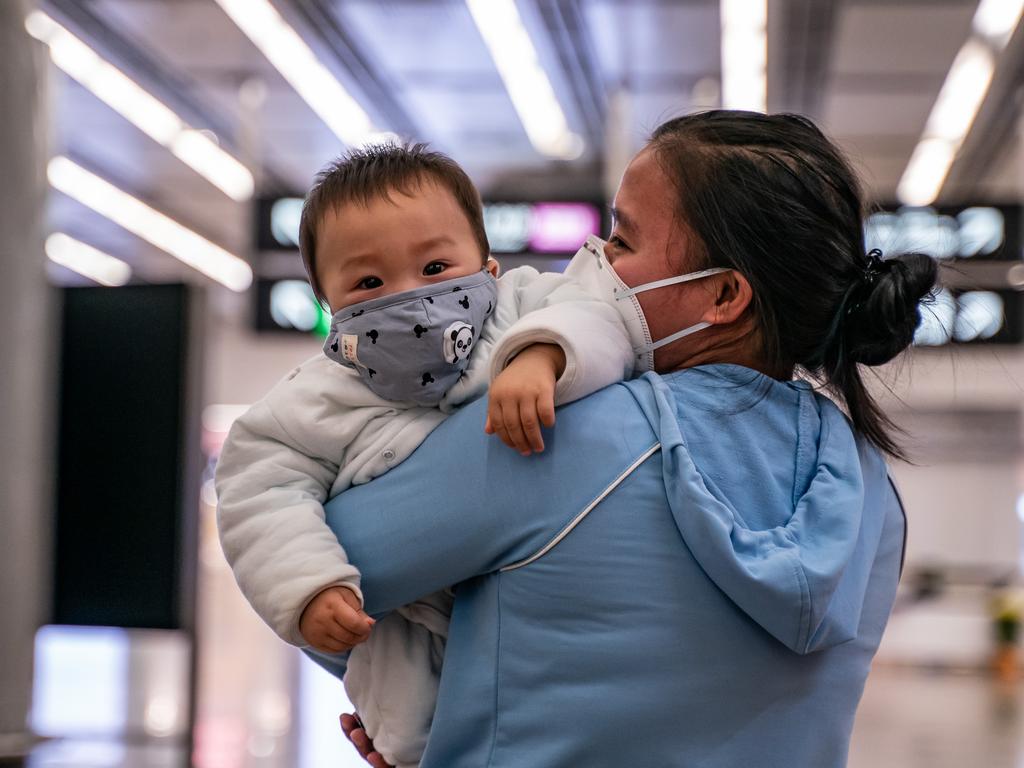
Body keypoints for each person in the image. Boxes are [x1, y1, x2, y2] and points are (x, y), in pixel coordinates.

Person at [313, 111, 937, 768]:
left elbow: (315, 566)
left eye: (622, 241)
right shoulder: (872, 490)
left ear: (724, 295)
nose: (595, 262)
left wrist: (417, 706)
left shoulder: (564, 432)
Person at [215, 145, 633, 767]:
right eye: (368, 283)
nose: (408, 296)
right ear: (329, 308)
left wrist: (543, 354)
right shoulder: (319, 393)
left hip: (549, 616)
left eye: (436, 265)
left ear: (489, 267)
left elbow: (602, 316)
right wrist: (306, 586)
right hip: (410, 644)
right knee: (410, 736)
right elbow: (258, 485)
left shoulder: (523, 309)